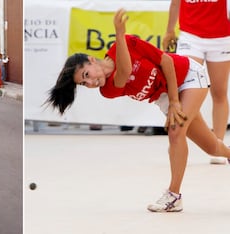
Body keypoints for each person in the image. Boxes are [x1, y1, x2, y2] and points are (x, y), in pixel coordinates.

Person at [46, 9, 230, 212]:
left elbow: (166, 61)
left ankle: (174, 196)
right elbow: (124, 73)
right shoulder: (107, 90)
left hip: (188, 75)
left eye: (87, 74)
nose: (90, 82)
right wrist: (171, 102)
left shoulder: (127, 43)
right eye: (84, 83)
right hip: (165, 98)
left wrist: (175, 101)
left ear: (91, 59)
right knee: (212, 147)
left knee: (176, 132)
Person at [163, 0, 230, 164]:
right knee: (185, 89)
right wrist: (170, 30)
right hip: (190, 36)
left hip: (221, 37)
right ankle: (178, 138)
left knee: (219, 91)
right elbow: (175, 3)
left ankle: (218, 145)